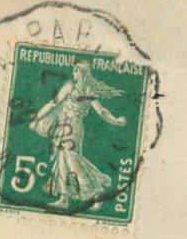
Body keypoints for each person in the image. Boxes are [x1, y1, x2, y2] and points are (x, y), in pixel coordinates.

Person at [30, 60, 127, 209]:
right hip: (65, 126)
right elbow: (53, 103)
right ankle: (64, 198)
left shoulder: (81, 90)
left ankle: (95, 189)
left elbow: (100, 111)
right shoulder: (78, 89)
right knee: (62, 159)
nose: (73, 74)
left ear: (81, 73)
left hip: (73, 128)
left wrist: (116, 121)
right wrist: (38, 117)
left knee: (72, 158)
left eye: (75, 71)